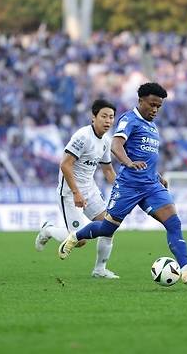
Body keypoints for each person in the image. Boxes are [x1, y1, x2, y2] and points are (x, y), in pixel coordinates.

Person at [57, 82, 187, 284]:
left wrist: (157, 175)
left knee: (173, 223)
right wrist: (128, 163)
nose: (155, 110)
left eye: (159, 106)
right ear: (141, 101)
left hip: (151, 186)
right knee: (106, 229)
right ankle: (74, 237)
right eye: (151, 104)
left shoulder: (152, 126)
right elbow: (116, 145)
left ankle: (186, 269)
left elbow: (146, 157)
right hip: (129, 186)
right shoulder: (129, 119)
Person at [35, 99, 119, 279]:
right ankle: (48, 229)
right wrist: (76, 192)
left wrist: (123, 189)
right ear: (93, 117)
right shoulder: (82, 136)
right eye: (104, 116)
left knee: (109, 225)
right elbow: (65, 165)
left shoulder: (105, 140)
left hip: (90, 188)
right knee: (80, 241)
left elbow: (107, 169)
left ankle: (99, 270)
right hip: (69, 191)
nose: (108, 121)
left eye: (111, 117)